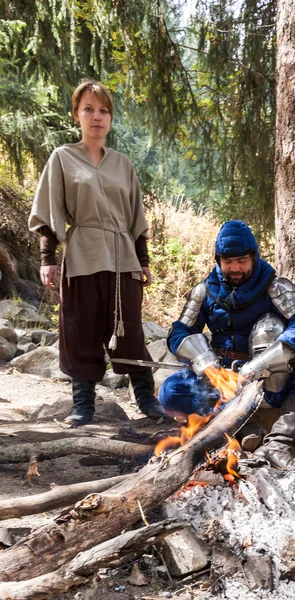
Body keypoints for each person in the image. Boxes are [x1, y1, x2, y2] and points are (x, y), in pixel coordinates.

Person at [28, 78, 166, 426]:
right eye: (88, 109)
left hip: (122, 256)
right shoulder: (62, 158)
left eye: (104, 110)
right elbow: (49, 211)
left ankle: (147, 399)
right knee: (81, 330)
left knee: (130, 330)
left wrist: (143, 261)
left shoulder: (122, 164)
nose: (97, 117)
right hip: (83, 254)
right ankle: (83, 405)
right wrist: (48, 260)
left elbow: (136, 217)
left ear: (110, 118)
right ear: (77, 114)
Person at [159, 220, 295, 469]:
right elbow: (180, 330)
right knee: (172, 391)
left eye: (241, 261)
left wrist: (262, 364)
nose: (235, 268)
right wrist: (204, 363)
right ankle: (240, 430)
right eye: (228, 262)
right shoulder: (205, 291)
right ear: (218, 260)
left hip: (268, 379)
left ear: (254, 257)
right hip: (219, 379)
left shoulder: (275, 287)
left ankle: (277, 445)